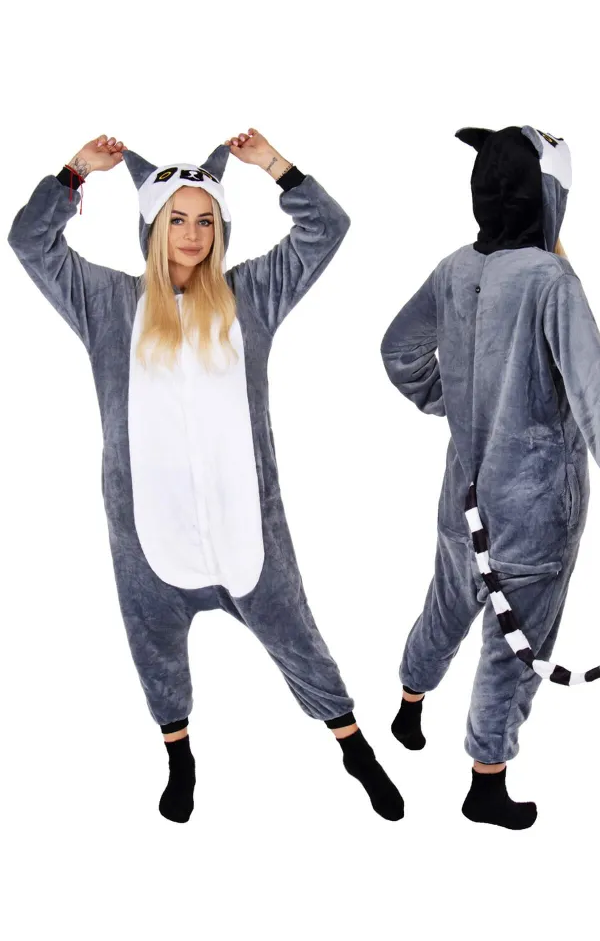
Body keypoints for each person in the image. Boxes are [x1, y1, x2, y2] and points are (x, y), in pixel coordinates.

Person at [8, 130, 404, 823]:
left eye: (205, 221)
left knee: (300, 641)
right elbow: (30, 242)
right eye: (177, 220)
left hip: (246, 525)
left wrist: (274, 166)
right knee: (154, 650)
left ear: (221, 228)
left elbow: (326, 229)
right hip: (148, 528)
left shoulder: (250, 296)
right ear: (152, 227)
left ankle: (356, 751)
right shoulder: (108, 304)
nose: (192, 235)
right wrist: (75, 173)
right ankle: (179, 758)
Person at [380, 125, 600, 830]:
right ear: (549, 195)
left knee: (446, 606)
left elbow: (399, 350)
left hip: (461, 500)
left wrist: (459, 404)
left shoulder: (455, 268)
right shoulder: (551, 281)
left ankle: (409, 703)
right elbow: (592, 384)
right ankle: (486, 784)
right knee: (516, 647)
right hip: (534, 509)